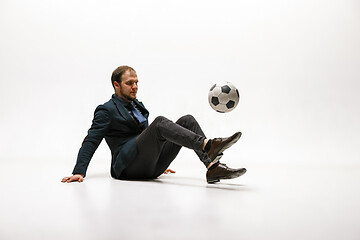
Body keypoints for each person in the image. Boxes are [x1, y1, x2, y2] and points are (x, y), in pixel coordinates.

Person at [62, 66, 246, 184]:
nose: (135, 86)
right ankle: (208, 145)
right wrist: (79, 171)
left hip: (149, 166)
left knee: (187, 120)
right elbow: (91, 140)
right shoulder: (106, 110)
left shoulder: (138, 107)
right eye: (129, 83)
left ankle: (212, 168)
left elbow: (146, 138)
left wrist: (156, 156)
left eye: (136, 82)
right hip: (127, 169)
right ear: (116, 85)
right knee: (159, 123)